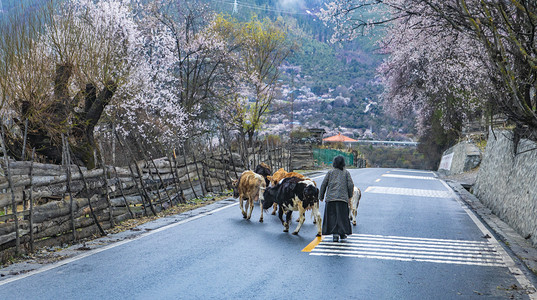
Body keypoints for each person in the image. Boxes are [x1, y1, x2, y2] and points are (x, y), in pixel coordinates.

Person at [319, 155, 354, 242]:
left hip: (331, 198)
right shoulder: (346, 173)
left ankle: (335, 234)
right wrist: (349, 195)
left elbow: (324, 184)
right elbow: (350, 185)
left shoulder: (330, 172)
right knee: (342, 217)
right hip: (342, 199)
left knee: (332, 217)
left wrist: (321, 196)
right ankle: (342, 233)